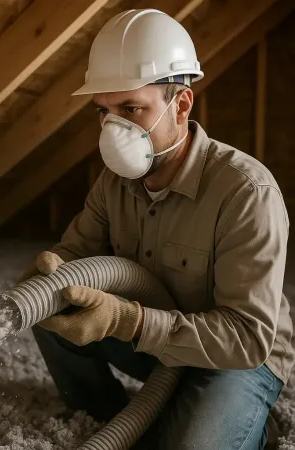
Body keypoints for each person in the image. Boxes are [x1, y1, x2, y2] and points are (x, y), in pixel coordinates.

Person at [20, 9, 295, 449]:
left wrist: (130, 320)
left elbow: (247, 338)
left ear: (181, 103)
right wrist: (52, 275)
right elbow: (73, 256)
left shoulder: (246, 191)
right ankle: (110, 418)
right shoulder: (115, 181)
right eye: (104, 112)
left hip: (234, 358)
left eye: (131, 109)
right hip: (154, 342)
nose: (114, 130)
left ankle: (250, 425)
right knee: (51, 306)